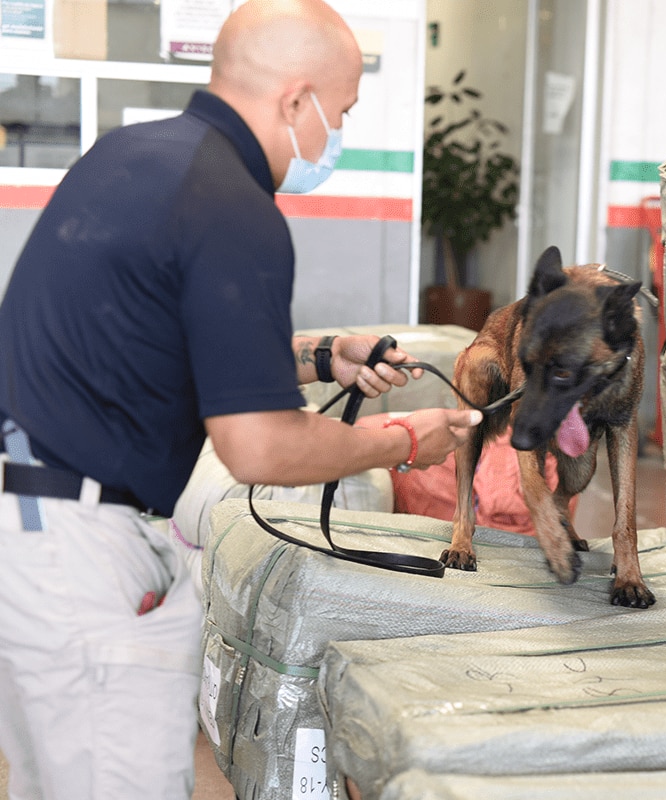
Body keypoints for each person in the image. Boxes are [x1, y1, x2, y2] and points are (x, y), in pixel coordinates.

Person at [0, 1, 480, 797]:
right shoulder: (233, 206)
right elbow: (257, 446)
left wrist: (323, 356)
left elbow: (164, 348)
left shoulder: (131, 156)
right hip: (79, 550)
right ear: (297, 101)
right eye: (342, 113)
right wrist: (402, 440)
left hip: (29, 529)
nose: (337, 134)